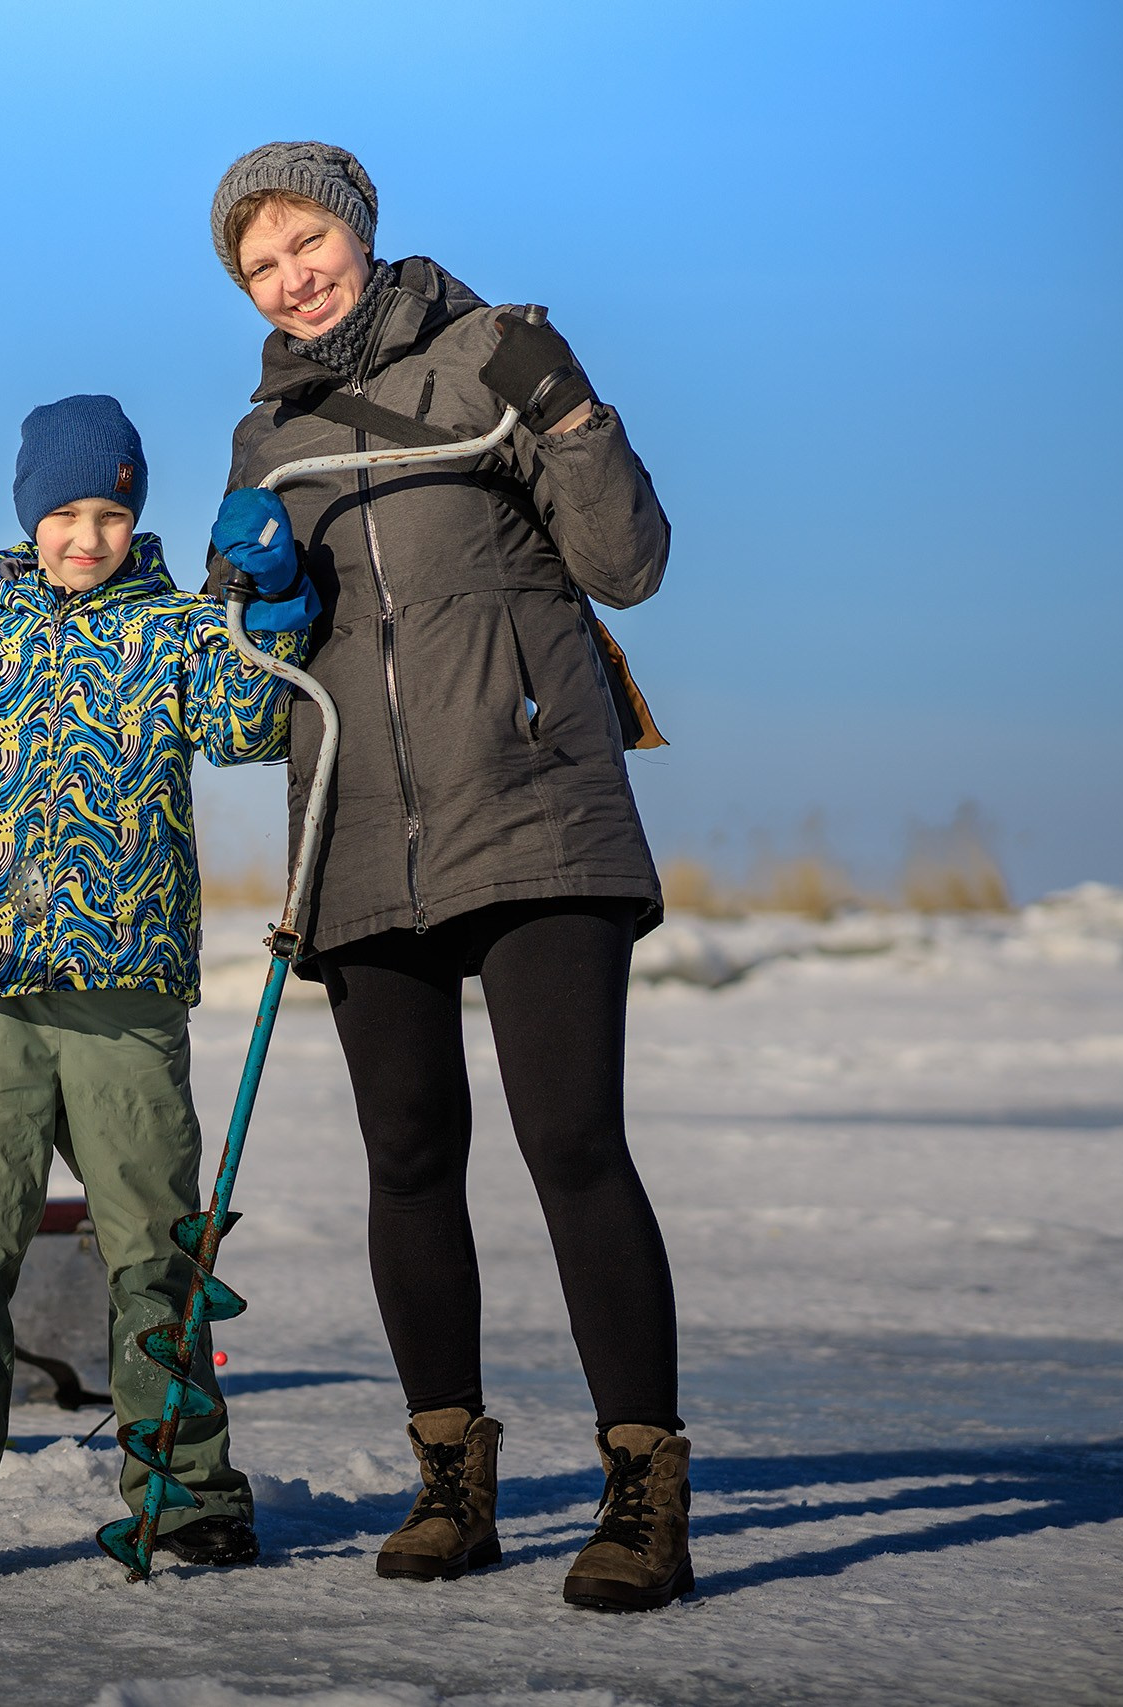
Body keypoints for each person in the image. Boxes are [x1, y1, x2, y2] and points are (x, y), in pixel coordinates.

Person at [199, 140, 693, 1612]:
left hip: (535, 803)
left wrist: (578, 417)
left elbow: (629, 562)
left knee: (571, 1140)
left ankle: (643, 1485)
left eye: (306, 244)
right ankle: (450, 1478)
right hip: (358, 831)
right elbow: (248, 700)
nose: (293, 279)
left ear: (358, 230)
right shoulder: (263, 439)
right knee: (408, 1157)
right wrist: (255, 604)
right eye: (260, 265)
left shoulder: (495, 354)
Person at [0, 393, 316, 1585]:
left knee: (155, 1256)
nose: (85, 535)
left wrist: (265, 600)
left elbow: (249, 724)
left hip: (126, 999)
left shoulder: (172, 627)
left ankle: (187, 1495)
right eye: (63, 512)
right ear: (28, 516)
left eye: (109, 512)